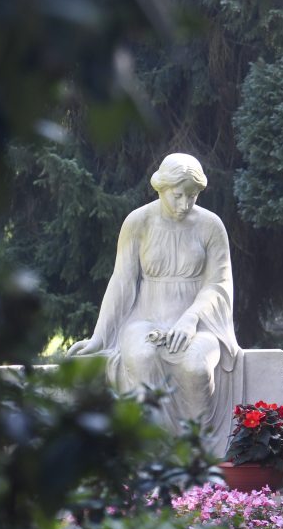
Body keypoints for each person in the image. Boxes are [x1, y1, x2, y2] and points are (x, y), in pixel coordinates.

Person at [69, 153, 240, 454]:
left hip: (198, 323)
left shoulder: (211, 226)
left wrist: (189, 320)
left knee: (196, 366)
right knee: (140, 355)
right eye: (178, 195)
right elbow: (122, 281)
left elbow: (218, 284)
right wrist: (98, 337)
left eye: (193, 196)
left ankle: (198, 451)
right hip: (145, 318)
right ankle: (153, 454)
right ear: (161, 188)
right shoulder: (138, 222)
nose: (185, 204)